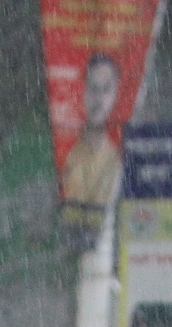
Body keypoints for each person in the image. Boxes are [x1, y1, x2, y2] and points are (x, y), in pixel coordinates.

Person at [60, 51, 127, 213]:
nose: (99, 98)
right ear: (82, 91)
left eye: (106, 89)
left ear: (116, 94)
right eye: (93, 88)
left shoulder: (119, 159)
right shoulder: (64, 152)